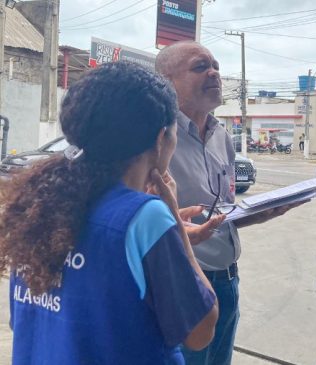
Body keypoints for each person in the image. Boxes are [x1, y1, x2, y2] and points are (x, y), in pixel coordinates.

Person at [0, 62, 220, 364]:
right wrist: (177, 230)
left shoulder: (40, 205)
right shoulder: (147, 217)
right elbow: (200, 331)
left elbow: (24, 321)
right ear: (160, 139)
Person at [156, 41, 299, 365]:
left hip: (228, 278)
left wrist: (257, 215)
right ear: (167, 81)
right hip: (181, 283)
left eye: (217, 66)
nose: (214, 74)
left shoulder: (221, 136)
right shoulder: (157, 135)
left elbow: (220, 210)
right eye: (200, 67)